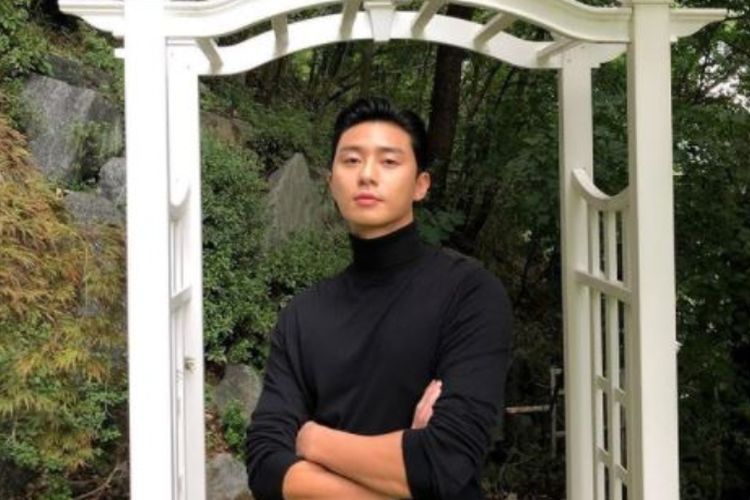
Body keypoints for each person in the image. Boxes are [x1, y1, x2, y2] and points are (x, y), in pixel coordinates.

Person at [245, 97, 513, 499]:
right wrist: (405, 472)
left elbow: (447, 461)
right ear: (331, 181)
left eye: (389, 161)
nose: (367, 175)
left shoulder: (470, 293)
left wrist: (313, 439)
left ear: (421, 185)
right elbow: (265, 465)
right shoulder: (302, 314)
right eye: (351, 160)